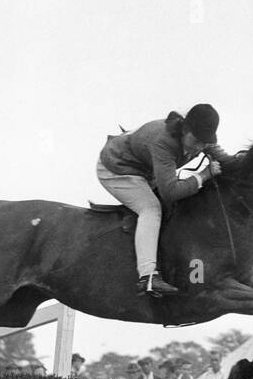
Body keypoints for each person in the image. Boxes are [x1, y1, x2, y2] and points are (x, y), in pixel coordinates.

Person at [95, 103, 237, 296]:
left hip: (144, 168)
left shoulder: (199, 135)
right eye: (196, 141)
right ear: (185, 130)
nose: (200, 147)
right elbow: (170, 191)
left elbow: (225, 160)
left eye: (205, 143)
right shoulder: (163, 143)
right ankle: (148, 277)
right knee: (151, 209)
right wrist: (203, 175)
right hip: (116, 167)